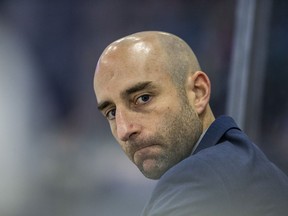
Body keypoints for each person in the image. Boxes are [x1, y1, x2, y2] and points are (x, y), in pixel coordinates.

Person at [93, 31, 288, 216]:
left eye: (143, 98)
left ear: (198, 92)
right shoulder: (240, 164)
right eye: (111, 112)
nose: (124, 130)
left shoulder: (201, 179)